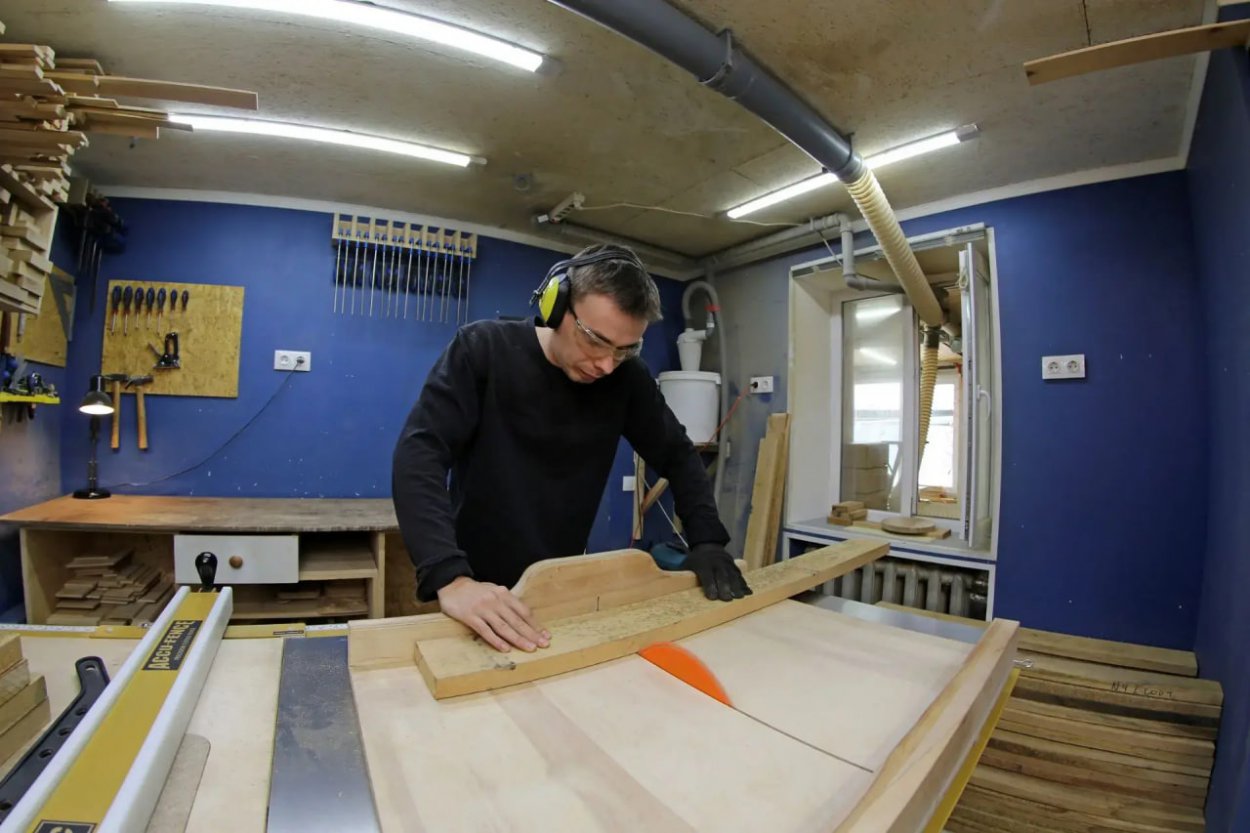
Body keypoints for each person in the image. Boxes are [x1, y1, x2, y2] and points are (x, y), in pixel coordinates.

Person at [392, 243, 750, 653]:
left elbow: (679, 455)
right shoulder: (483, 350)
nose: (606, 365)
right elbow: (420, 455)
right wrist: (449, 577)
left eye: (625, 349)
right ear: (556, 306)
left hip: (560, 586)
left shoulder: (626, 380)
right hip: (475, 588)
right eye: (596, 340)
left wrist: (707, 540)